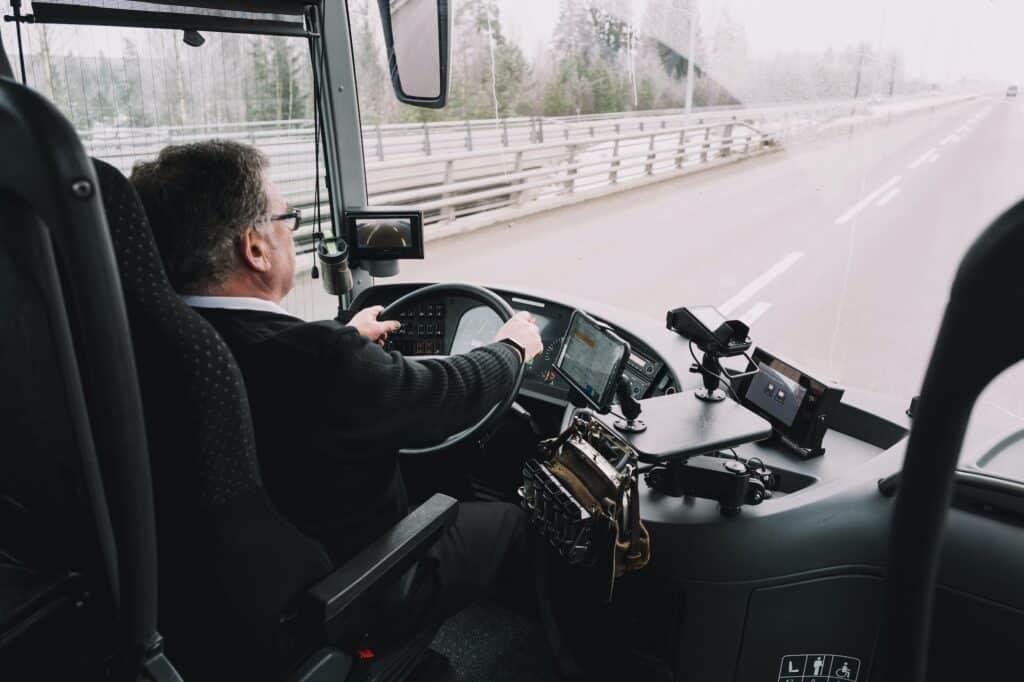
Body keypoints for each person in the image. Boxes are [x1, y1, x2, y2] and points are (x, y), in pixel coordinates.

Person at [130, 139, 543, 637]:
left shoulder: (156, 342)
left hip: (209, 589)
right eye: (287, 220)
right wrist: (511, 349)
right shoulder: (318, 360)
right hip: (353, 580)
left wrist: (347, 338)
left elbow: (291, 371)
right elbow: (447, 395)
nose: (291, 233)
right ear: (255, 248)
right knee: (511, 521)